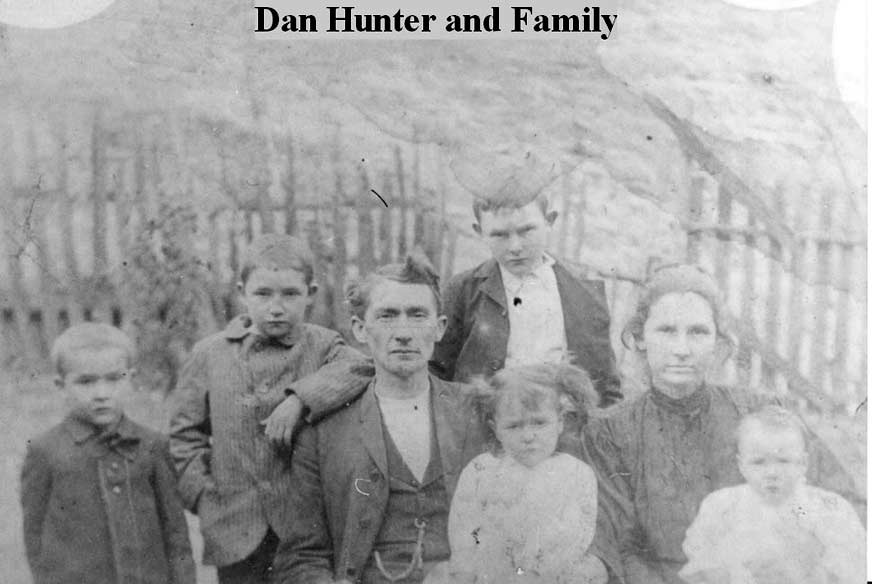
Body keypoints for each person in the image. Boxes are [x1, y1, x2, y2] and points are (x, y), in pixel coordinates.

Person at [582, 263, 862, 584]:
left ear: (719, 343)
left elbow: (845, 501)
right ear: (640, 337)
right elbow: (619, 546)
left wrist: (805, 556)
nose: (681, 349)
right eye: (666, 331)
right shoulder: (610, 432)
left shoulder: (761, 414)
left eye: (698, 332)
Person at [270, 252, 491, 584]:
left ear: (440, 328)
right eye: (387, 316)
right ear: (360, 329)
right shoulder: (324, 431)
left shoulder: (475, 412)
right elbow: (302, 556)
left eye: (417, 315)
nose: (403, 333)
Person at [169, 233, 371, 584]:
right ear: (241, 292)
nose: (276, 307)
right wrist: (204, 497)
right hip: (234, 530)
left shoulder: (324, 346)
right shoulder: (209, 354)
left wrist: (300, 399)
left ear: (310, 293)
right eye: (262, 294)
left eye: (290, 294)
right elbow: (183, 439)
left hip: (304, 532)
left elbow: (361, 367)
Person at [20, 322, 195, 584]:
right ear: (61, 385)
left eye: (114, 379)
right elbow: (35, 540)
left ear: (131, 379)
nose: (102, 394)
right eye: (86, 382)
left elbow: (176, 535)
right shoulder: (45, 451)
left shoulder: (153, 446)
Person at [431, 188, 621, 406]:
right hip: (482, 420)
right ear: (479, 231)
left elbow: (607, 387)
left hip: (564, 420)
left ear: (549, 221)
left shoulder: (583, 291)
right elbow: (437, 374)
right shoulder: (462, 291)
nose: (515, 247)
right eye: (499, 235)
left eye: (527, 230)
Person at [425, 363, 603, 584]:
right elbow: (463, 535)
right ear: (495, 428)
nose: (528, 436)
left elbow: (578, 537)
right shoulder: (481, 471)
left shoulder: (576, 473)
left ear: (560, 422)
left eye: (539, 423)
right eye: (514, 426)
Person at [679, 406, 865, 584]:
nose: (772, 473)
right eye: (758, 462)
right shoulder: (721, 506)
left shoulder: (827, 508)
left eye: (783, 461)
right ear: (741, 465)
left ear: (803, 463)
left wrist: (811, 567)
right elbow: (702, 561)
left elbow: (853, 568)